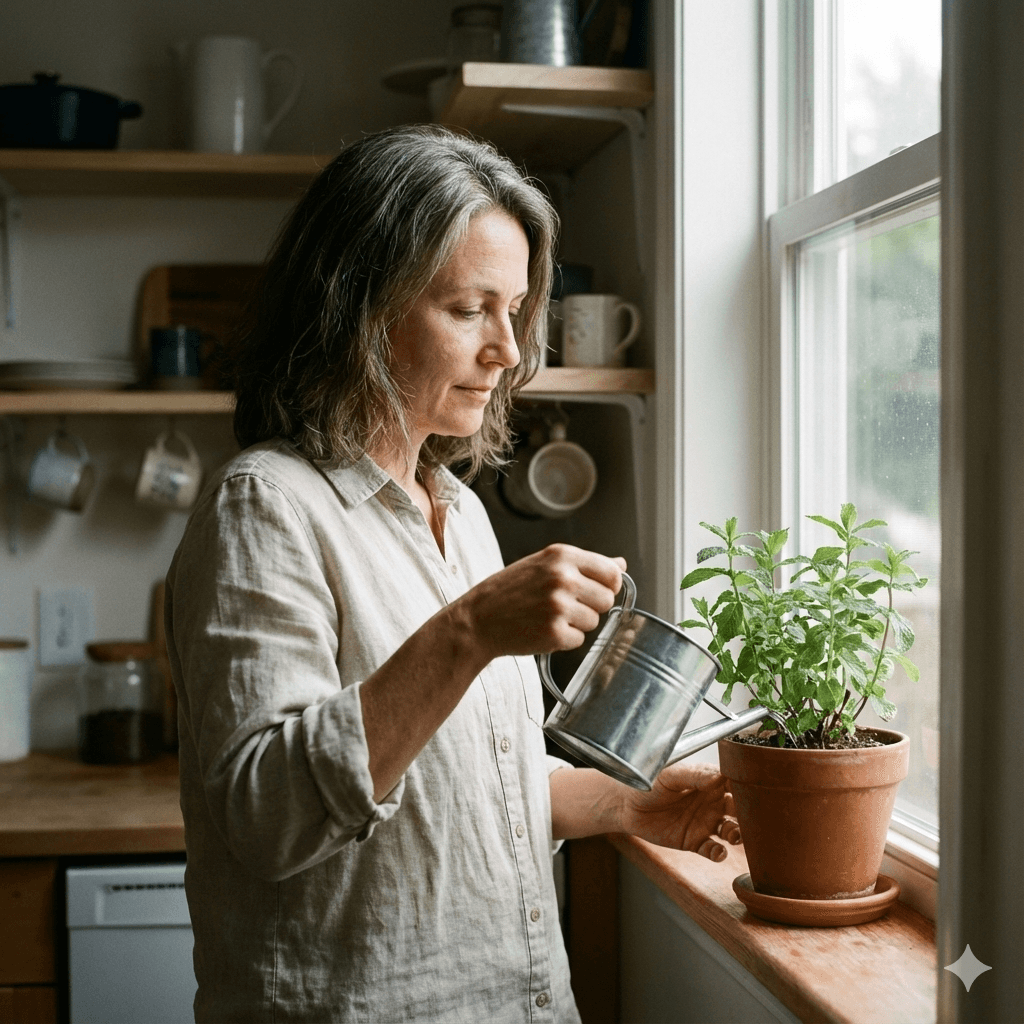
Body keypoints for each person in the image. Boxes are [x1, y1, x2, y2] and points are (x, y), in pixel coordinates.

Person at [165, 124, 740, 1024]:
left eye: (515, 311)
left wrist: (631, 807)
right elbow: (268, 816)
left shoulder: (462, 513)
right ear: (358, 306)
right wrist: (470, 632)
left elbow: (468, 791)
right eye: (471, 308)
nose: (508, 351)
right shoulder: (267, 506)